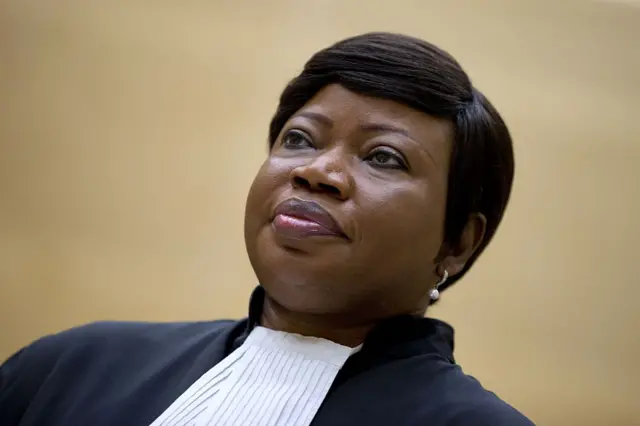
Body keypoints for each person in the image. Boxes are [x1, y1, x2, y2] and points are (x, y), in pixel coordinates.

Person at [0, 32, 534, 425]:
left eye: (384, 157)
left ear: (458, 242)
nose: (316, 171)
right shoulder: (72, 368)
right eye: (300, 139)